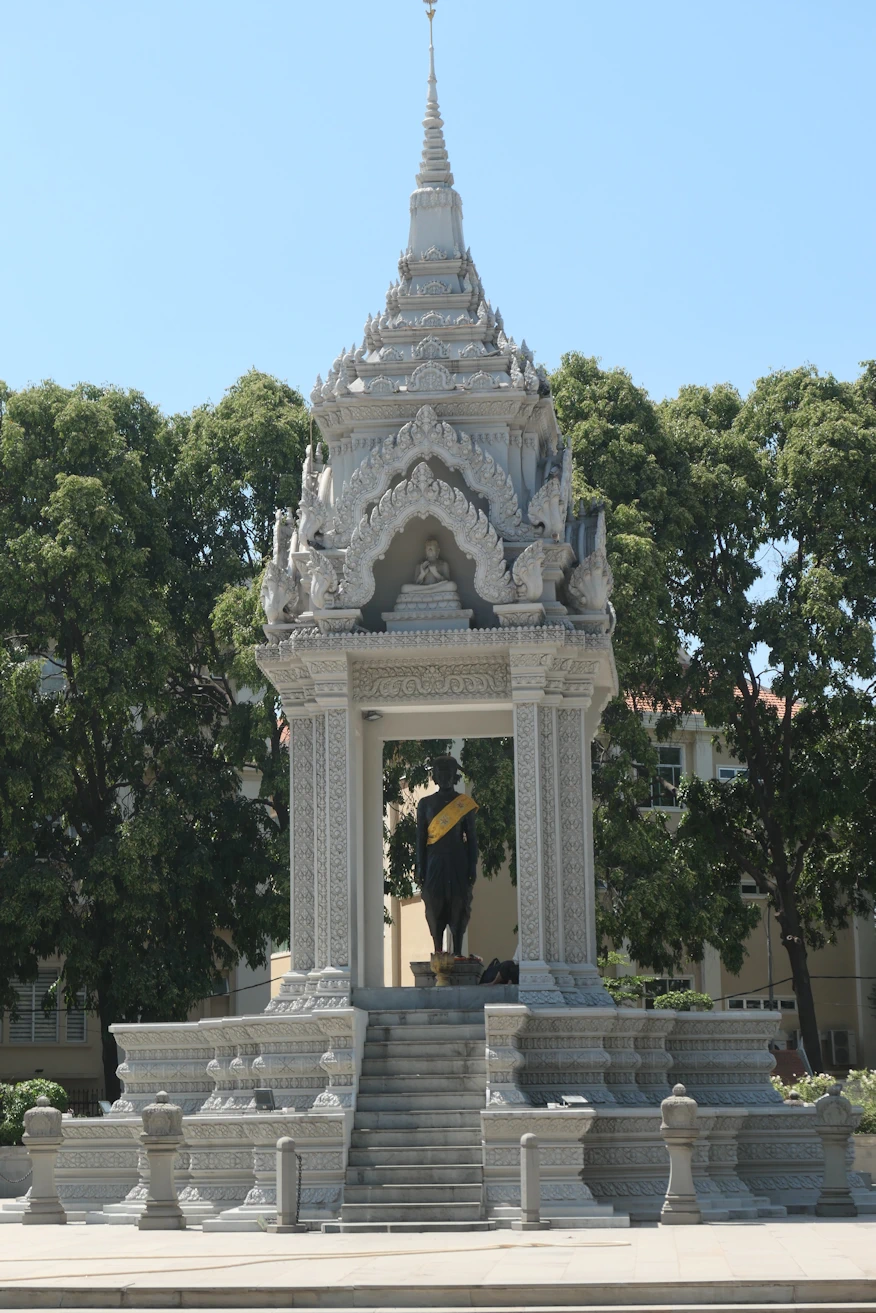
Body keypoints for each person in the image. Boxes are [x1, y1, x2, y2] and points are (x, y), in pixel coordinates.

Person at [416, 755, 478, 955]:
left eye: (448, 773)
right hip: (434, 862)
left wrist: (472, 866)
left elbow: (472, 839)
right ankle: (437, 951)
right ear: (434, 777)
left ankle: (458, 951)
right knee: (435, 905)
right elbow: (420, 839)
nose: (444, 777)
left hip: (458, 861)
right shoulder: (425, 804)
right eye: (440, 773)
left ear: (455, 776)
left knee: (459, 904)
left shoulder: (464, 804)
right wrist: (420, 867)